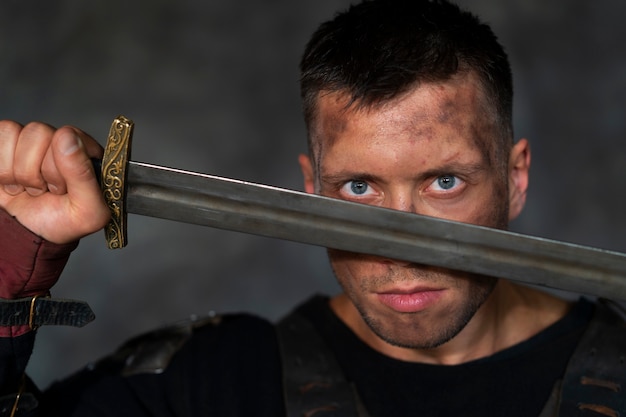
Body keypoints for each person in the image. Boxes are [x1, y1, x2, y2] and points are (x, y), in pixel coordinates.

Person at [0, 0, 624, 416]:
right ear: (310, 189)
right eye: (358, 188)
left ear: (515, 179)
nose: (399, 243)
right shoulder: (209, 387)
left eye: (443, 182)